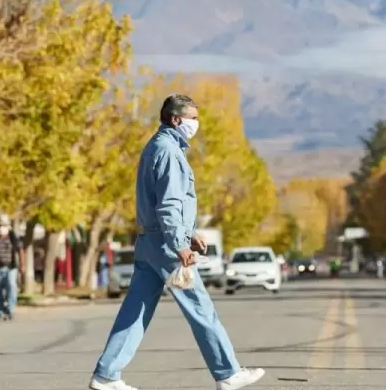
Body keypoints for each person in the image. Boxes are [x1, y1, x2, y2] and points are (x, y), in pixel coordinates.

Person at [90, 94, 264, 390]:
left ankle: (106, 374)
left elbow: (163, 202)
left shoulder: (156, 146)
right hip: (166, 246)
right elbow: (169, 204)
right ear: (175, 119)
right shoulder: (169, 151)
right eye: (192, 118)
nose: (196, 124)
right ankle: (228, 373)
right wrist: (179, 244)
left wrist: (189, 232)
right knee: (200, 307)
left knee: (137, 309)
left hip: (149, 241)